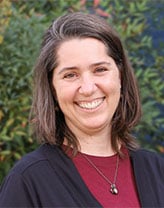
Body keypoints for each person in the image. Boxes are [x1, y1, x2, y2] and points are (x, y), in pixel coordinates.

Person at [0, 12, 164, 208]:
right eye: (70, 75)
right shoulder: (27, 182)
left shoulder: (157, 170)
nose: (87, 88)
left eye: (100, 70)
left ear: (120, 76)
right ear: (53, 89)